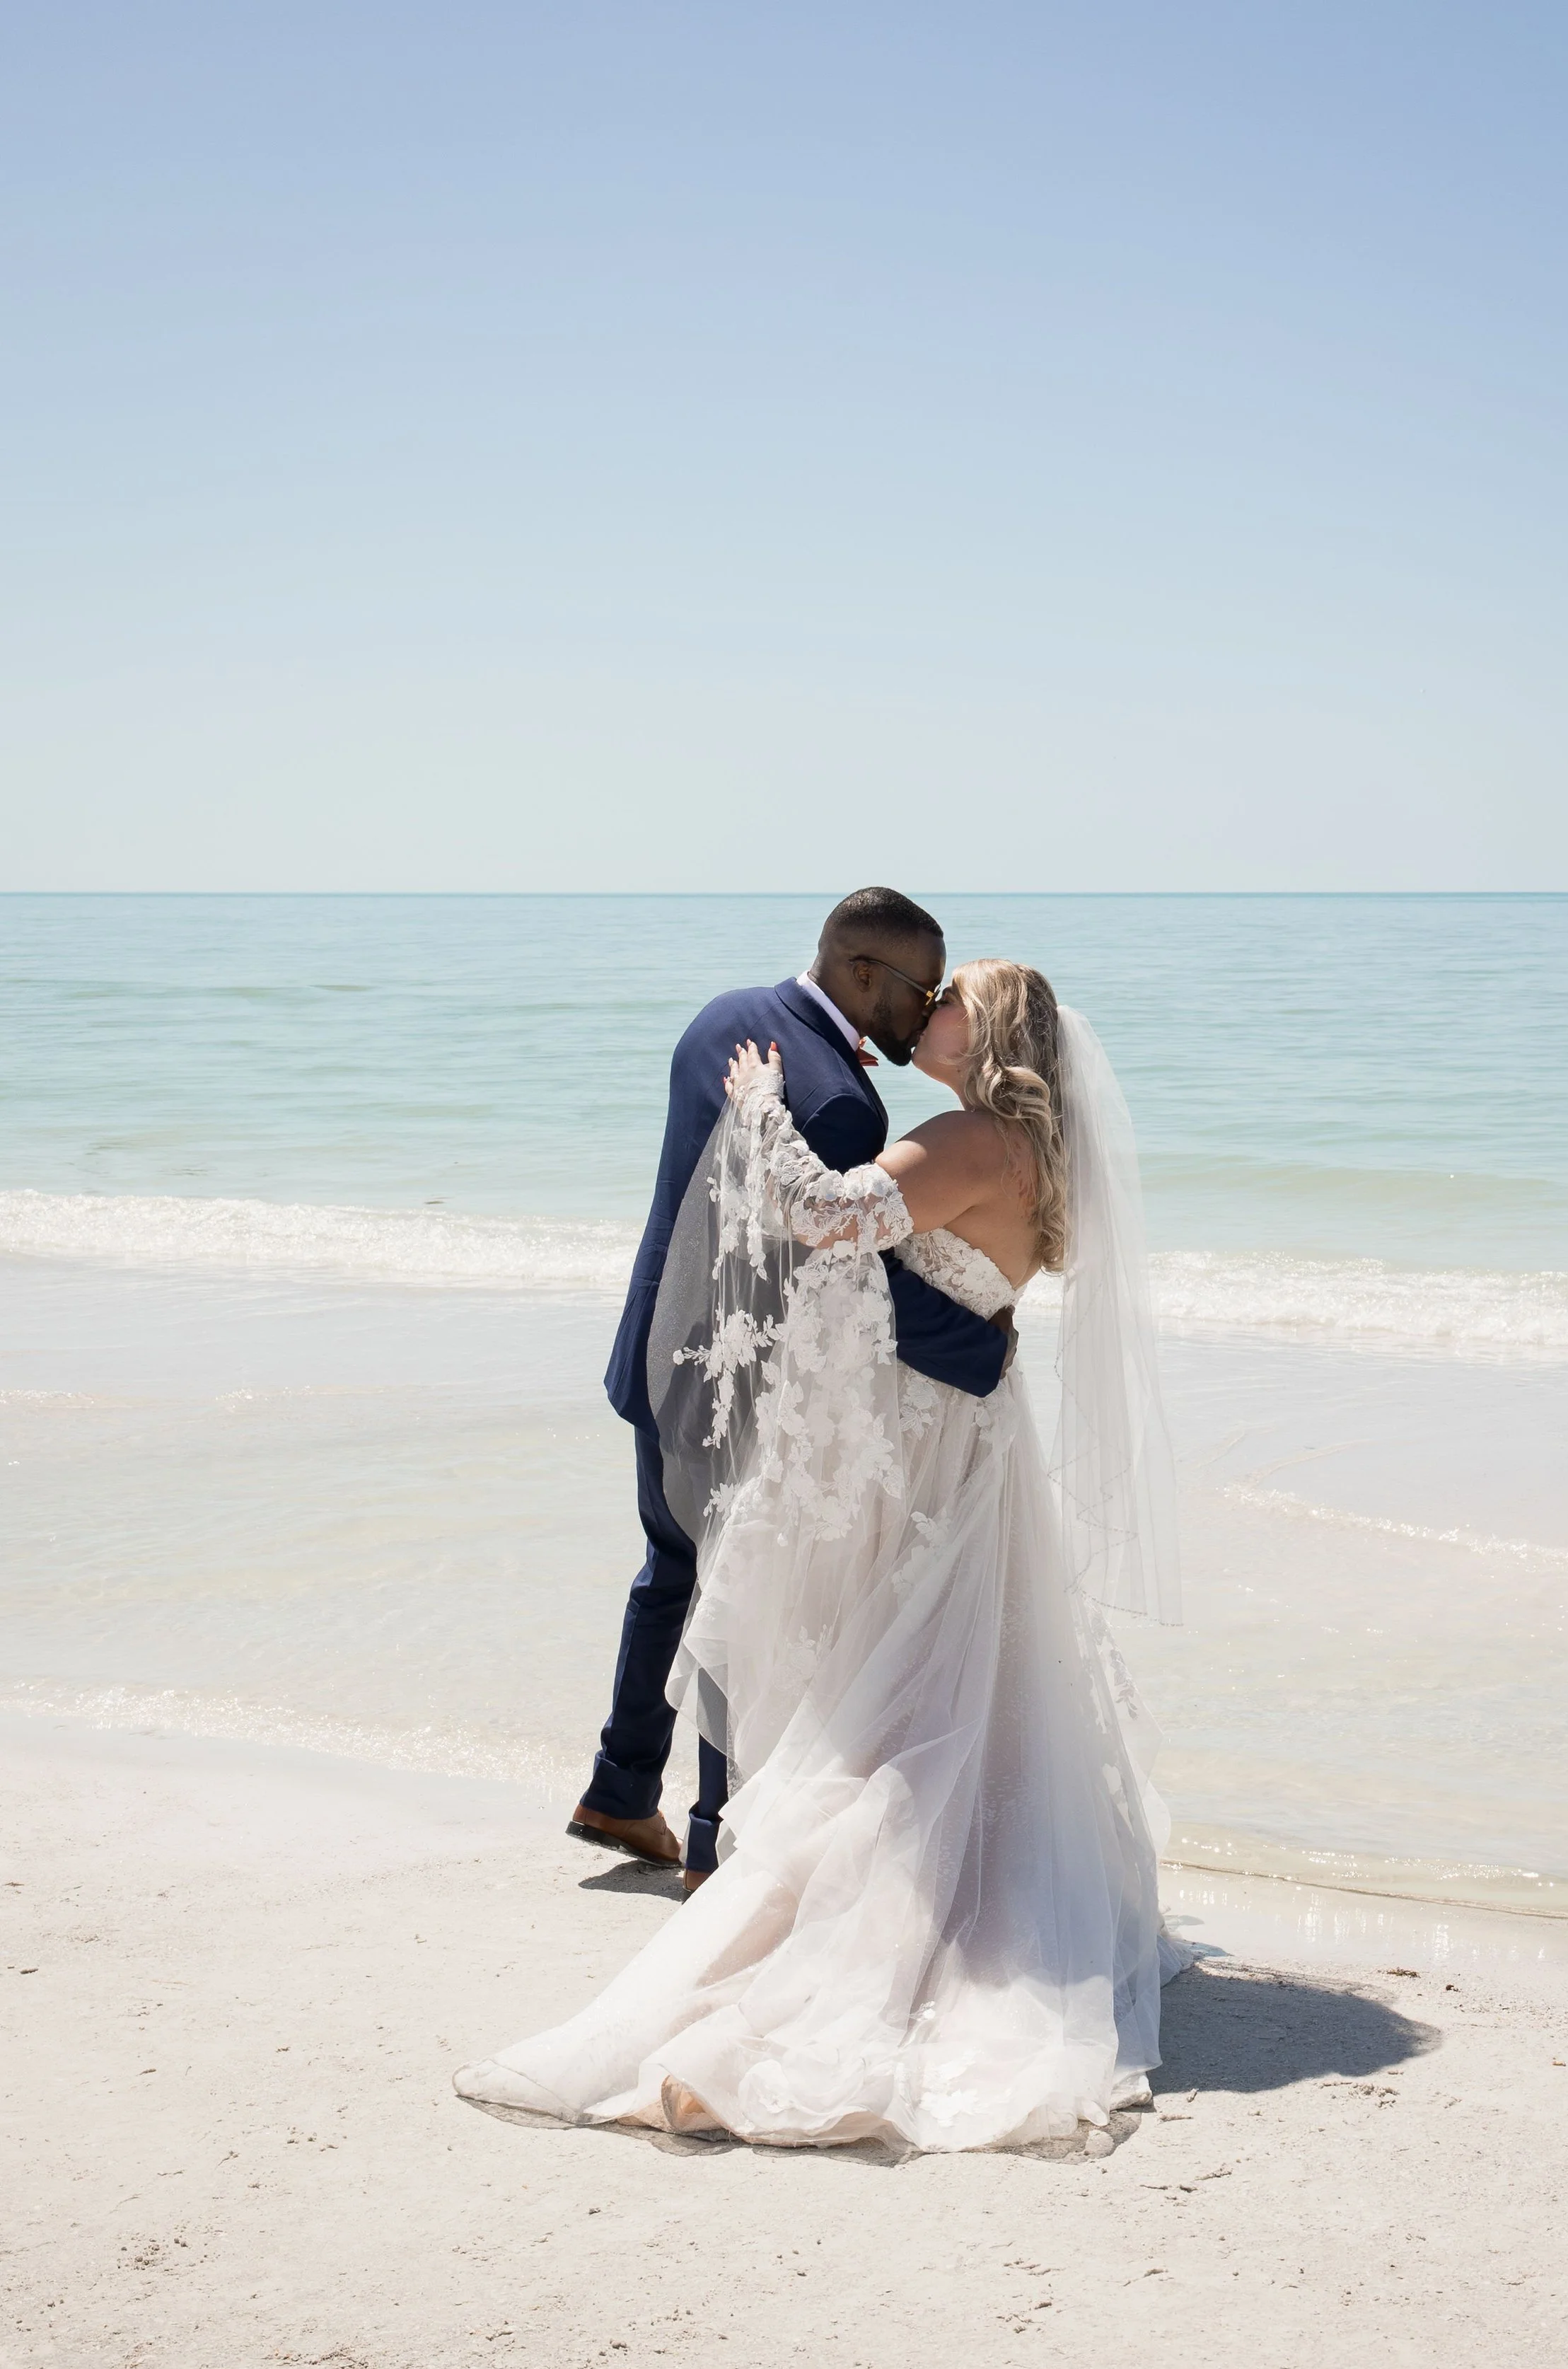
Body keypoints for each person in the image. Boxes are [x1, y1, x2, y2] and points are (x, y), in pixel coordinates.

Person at [457, 957, 1187, 2153]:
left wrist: (759, 1110)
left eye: (954, 998)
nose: (932, 1008)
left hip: (922, 1438)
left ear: (987, 1032)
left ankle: (857, 1897)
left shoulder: (964, 1138)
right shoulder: (1032, 1155)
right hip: (973, 1440)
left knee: (891, 1684)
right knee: (954, 1672)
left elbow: (832, 1217)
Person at [573, 890, 1015, 1890]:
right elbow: (861, 1280)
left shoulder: (719, 1018)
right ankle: (711, 1840)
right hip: (749, 1383)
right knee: (749, 1588)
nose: (929, 1009)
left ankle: (620, 1782)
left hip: (658, 1350)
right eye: (923, 989)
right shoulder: (846, 1103)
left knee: (672, 1564)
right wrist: (979, 1349)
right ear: (866, 974)